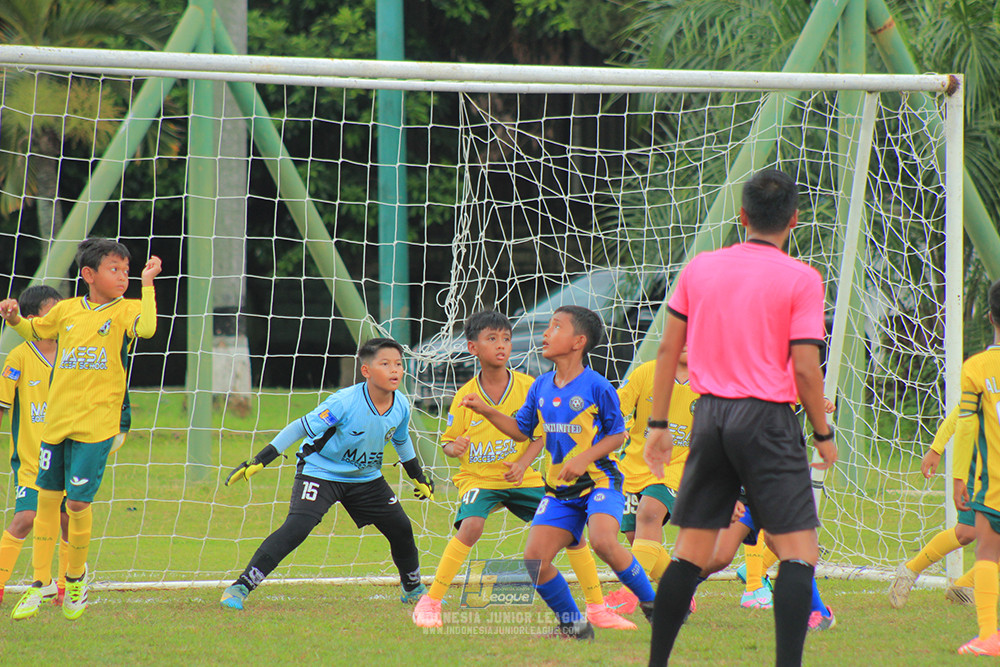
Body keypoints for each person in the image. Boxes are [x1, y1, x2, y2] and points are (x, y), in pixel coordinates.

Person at [643, 169, 837, 667]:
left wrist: (659, 427)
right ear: (794, 220)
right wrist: (822, 433)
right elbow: (805, 368)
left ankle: (656, 663)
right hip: (769, 421)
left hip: (709, 416)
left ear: (742, 216)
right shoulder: (802, 278)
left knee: (689, 552)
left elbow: (669, 348)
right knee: (798, 555)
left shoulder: (701, 268)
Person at [411, 311, 633, 630]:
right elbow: (447, 441)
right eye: (492, 339)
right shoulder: (465, 396)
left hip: (525, 478)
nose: (501, 346)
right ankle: (430, 601)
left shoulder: (531, 386)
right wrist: (452, 448)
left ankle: (596, 607)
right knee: (471, 525)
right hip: (480, 479)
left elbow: (541, 434)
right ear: (473, 348)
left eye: (506, 339)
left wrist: (522, 463)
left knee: (572, 533)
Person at [462, 305, 657, 639]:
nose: (545, 334)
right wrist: (487, 410)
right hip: (559, 491)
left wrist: (584, 458)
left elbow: (617, 434)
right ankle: (574, 624)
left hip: (600, 481)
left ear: (578, 341)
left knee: (603, 541)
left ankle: (655, 606)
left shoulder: (597, 386)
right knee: (535, 560)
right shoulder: (540, 386)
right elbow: (522, 431)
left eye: (555, 327)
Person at [0, 238, 160, 620]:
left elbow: (150, 328)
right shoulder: (68, 310)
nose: (122, 277)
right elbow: (37, 331)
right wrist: (15, 319)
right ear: (89, 275)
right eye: (114, 270)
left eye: (126, 270)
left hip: (96, 426)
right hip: (56, 426)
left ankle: (75, 577)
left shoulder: (126, 311)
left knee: (76, 504)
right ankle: (41, 583)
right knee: (45, 502)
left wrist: (148, 282)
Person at [220, 337, 434, 610]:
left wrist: (417, 476)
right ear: (366, 371)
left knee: (401, 528)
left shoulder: (402, 405)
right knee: (297, 528)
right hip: (322, 471)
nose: (394, 370)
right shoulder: (344, 402)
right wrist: (262, 459)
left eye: (399, 364)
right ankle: (240, 587)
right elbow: (299, 428)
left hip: (366, 477)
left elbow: (400, 440)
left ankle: (413, 587)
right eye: (385, 364)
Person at [604, 350, 697, 617]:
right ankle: (680, 592)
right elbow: (617, 407)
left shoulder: (711, 383)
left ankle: (630, 595)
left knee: (649, 513)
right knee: (639, 540)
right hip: (633, 466)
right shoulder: (647, 371)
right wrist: (613, 425)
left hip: (677, 466)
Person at [0, 286, 71, 607]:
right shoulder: (19, 358)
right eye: (52, 312)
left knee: (70, 516)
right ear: (33, 320)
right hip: (31, 461)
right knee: (26, 517)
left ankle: (65, 586)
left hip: (69, 455)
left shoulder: (74, 355)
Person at [952, 279, 1000, 656]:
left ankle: (988, 636)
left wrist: (958, 478)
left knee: (987, 553)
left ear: (989, 317)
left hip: (994, 485)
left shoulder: (977, 367)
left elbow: (966, 424)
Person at [889, 407, 977, 608]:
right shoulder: (988, 378)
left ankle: (965, 585)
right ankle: (910, 571)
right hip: (983, 466)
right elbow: (961, 411)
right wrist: (937, 448)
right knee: (966, 533)